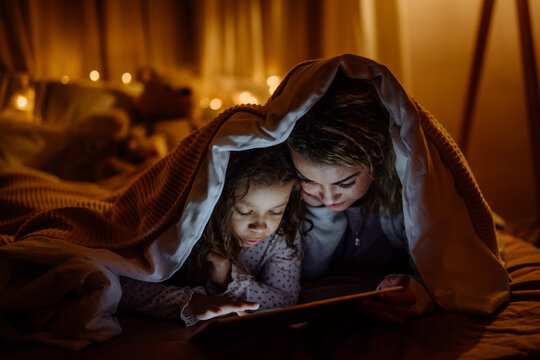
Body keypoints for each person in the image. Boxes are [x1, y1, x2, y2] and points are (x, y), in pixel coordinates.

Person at [282, 63, 509, 323]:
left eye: (345, 183)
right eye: (308, 180)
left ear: (375, 161)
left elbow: (450, 266)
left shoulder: (407, 193)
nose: (329, 197)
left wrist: (419, 293)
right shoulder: (292, 196)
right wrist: (320, 211)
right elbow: (308, 268)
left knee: (491, 226)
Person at [120, 144, 304, 326]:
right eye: (244, 211)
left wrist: (228, 279)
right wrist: (191, 303)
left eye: (275, 212)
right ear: (217, 200)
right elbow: (126, 285)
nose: (260, 226)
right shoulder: (190, 229)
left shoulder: (283, 235)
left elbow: (285, 300)